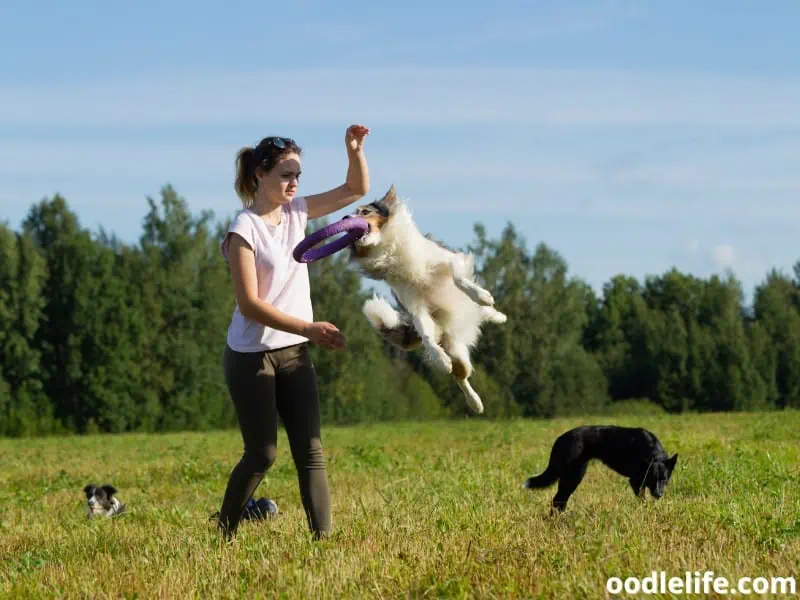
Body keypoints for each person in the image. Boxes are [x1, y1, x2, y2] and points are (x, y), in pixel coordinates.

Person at [216, 124, 370, 540]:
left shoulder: (297, 212)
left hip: (295, 351)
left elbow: (354, 191)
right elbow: (250, 304)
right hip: (251, 354)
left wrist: (353, 149)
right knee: (262, 454)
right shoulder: (242, 229)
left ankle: (323, 542)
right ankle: (224, 531)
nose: (294, 182)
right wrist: (309, 327)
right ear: (259, 176)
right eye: (286, 174)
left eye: (297, 174)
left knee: (311, 451)